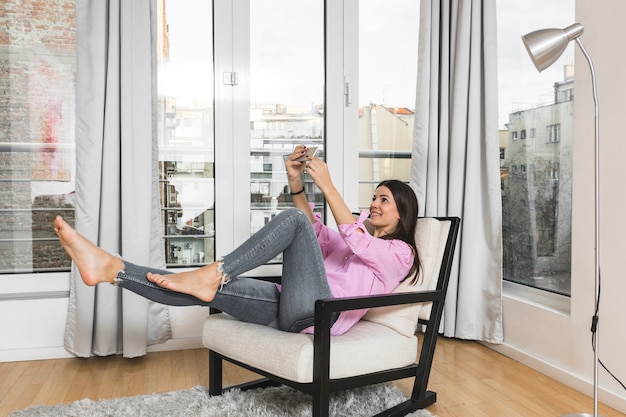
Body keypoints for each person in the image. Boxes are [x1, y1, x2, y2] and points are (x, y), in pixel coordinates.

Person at [54, 145, 421, 336]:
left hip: (321, 315)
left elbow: (356, 241)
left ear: (402, 213)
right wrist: (296, 181)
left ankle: (214, 272)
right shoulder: (353, 237)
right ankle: (111, 269)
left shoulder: (399, 253)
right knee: (197, 290)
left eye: (383, 199)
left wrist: (327, 185)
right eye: (373, 196)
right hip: (288, 307)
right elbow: (313, 231)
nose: (373, 203)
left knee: (290, 222)